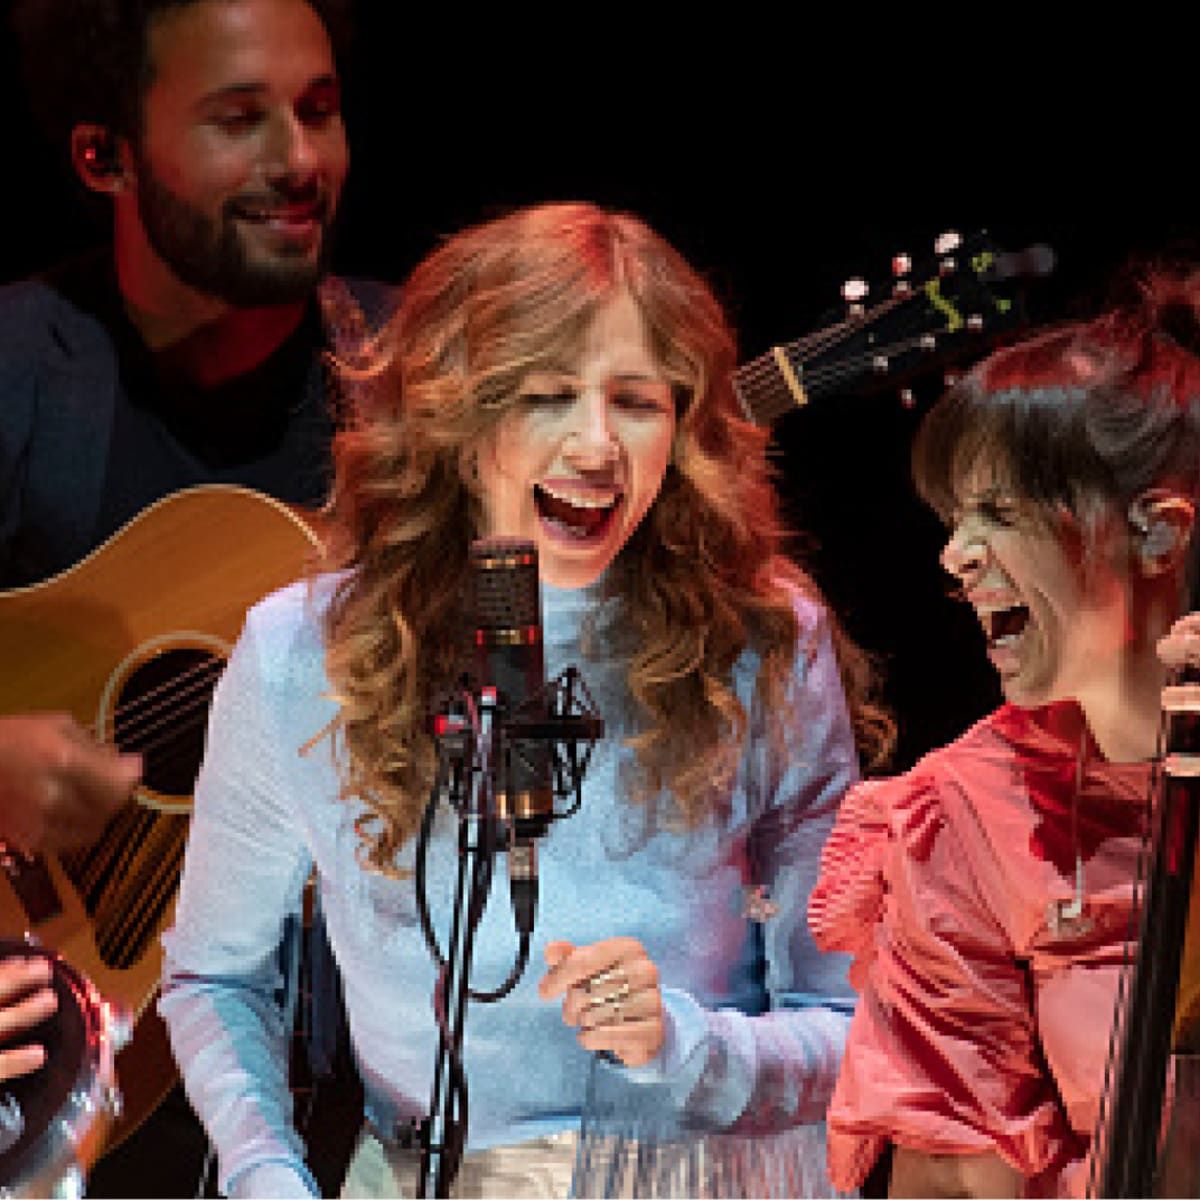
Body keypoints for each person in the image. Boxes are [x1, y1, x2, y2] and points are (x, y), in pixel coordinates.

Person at [158, 200, 894, 1198]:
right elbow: (214, 979)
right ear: (458, 416)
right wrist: (266, 1176)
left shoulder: (760, 643)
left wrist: (690, 1045)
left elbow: (852, 1023)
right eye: (548, 396)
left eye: (637, 401)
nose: (596, 446)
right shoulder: (301, 652)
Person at [1, 0, 386, 1193]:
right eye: (239, 119)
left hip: (368, 1075)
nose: (300, 160)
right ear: (103, 155)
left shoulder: (422, 375)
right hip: (86, 1080)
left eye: (318, 111)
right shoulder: (18, 371)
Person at [809, 264, 1200, 1197]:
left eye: (999, 513)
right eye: (953, 517)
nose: (955, 555)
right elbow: (947, 1164)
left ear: (1157, 531)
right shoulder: (973, 812)